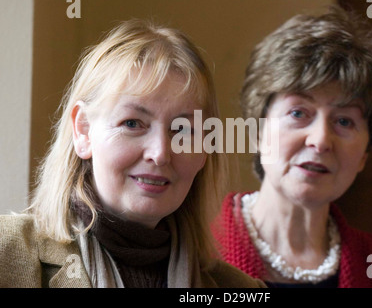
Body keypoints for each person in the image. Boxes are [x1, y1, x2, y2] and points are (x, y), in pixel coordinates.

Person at [0, 19, 265, 288]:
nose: (160, 153)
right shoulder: (6, 255)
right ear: (83, 131)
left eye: (183, 130)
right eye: (132, 123)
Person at [212, 6, 372, 288]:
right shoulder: (195, 248)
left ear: (364, 155)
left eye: (344, 121)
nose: (321, 140)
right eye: (299, 113)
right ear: (256, 130)